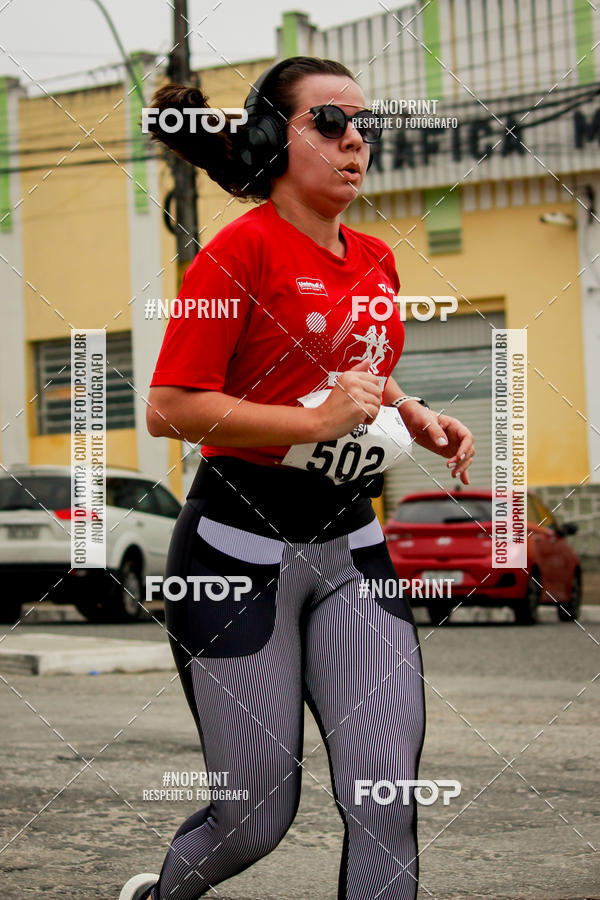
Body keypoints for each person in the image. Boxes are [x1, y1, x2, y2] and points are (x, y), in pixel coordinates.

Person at [119, 56, 475, 900]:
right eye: (329, 122)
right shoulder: (238, 252)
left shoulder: (378, 261)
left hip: (353, 551)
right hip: (235, 556)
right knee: (254, 820)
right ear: (279, 137)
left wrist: (409, 407)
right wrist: (313, 425)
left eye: (365, 125)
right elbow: (168, 408)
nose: (356, 140)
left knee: (386, 799)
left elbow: (349, 363)